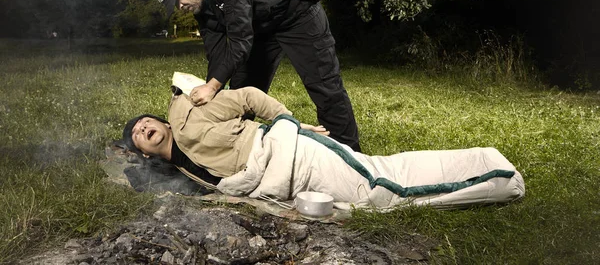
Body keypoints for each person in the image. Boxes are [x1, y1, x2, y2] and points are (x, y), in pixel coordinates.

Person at [123, 87, 525, 209]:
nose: (143, 128)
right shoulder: (180, 170)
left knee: (382, 191)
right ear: (143, 150)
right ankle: (483, 163)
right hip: (282, 180)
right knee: (383, 170)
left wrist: (292, 123)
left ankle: (498, 176)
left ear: (160, 119)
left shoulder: (191, 108)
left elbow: (249, 96)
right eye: (138, 134)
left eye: (145, 121)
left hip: (294, 155)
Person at [154, 0, 361, 151]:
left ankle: (349, 155)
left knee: (324, 86)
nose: (179, 7)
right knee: (240, 92)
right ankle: (234, 153)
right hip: (261, 27)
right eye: (174, 5)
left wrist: (212, 86)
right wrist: (211, 93)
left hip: (297, 15)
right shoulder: (201, 7)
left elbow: (240, 41)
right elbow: (216, 54)